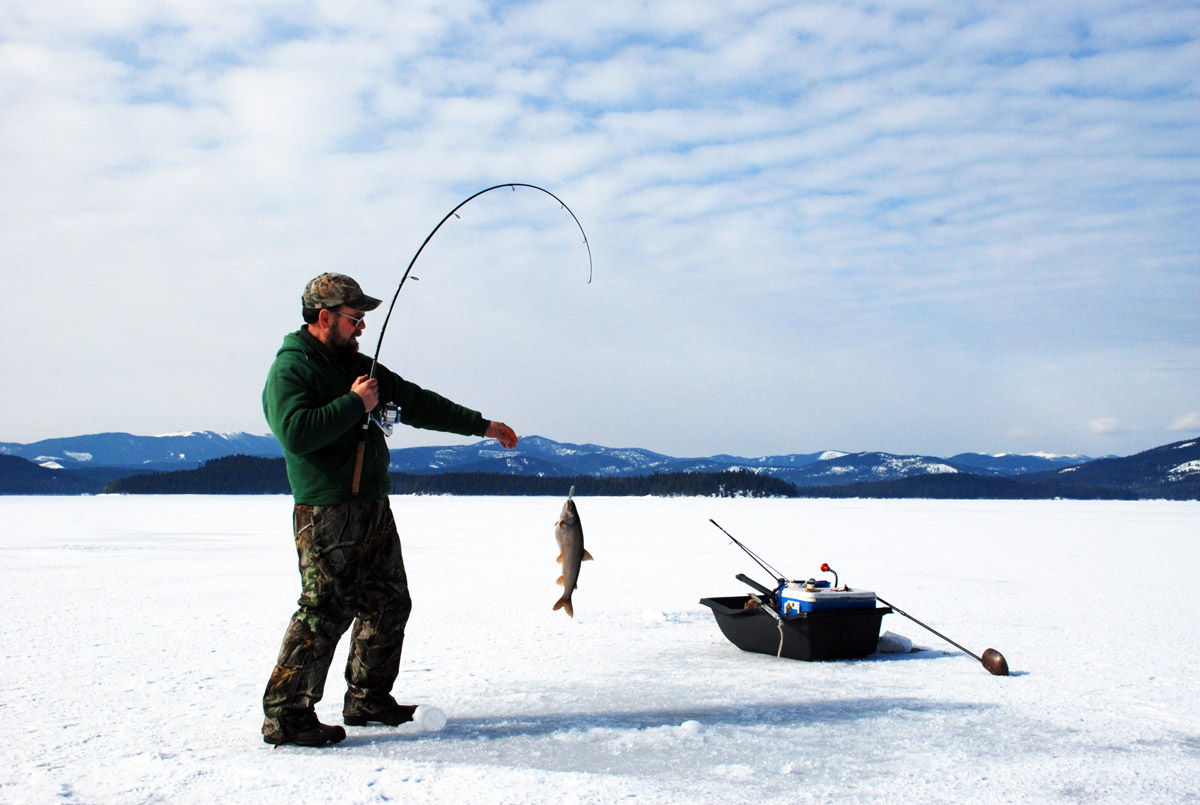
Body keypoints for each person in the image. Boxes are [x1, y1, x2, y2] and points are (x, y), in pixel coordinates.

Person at [260, 272, 518, 747]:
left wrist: (481, 425)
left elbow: (416, 402)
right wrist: (354, 404)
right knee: (324, 611)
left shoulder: (360, 364)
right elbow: (296, 432)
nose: (361, 326)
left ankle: (368, 698)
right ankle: (286, 715)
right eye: (354, 317)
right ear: (325, 317)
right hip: (328, 511)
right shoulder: (292, 369)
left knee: (388, 602)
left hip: (372, 506)